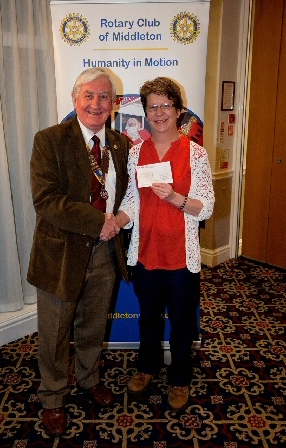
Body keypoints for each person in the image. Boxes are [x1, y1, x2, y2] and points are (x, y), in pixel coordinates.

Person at [27, 68, 130, 437]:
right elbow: (46, 200)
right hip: (61, 254)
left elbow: (128, 196)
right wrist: (96, 222)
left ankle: (89, 378)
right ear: (75, 100)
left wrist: (117, 221)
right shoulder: (49, 140)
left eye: (104, 97)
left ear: (114, 104)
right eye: (89, 95)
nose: (96, 104)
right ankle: (53, 397)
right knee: (55, 333)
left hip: (105, 252)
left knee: (92, 323)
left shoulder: (121, 145)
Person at [115, 77, 215, 412]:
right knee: (149, 319)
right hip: (146, 254)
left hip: (180, 258)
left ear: (178, 110)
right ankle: (146, 368)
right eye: (152, 107)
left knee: (183, 322)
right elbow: (131, 201)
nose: (159, 113)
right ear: (145, 112)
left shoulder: (195, 153)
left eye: (165, 106)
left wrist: (175, 198)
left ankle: (180, 378)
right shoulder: (135, 153)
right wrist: (116, 221)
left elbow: (207, 206)